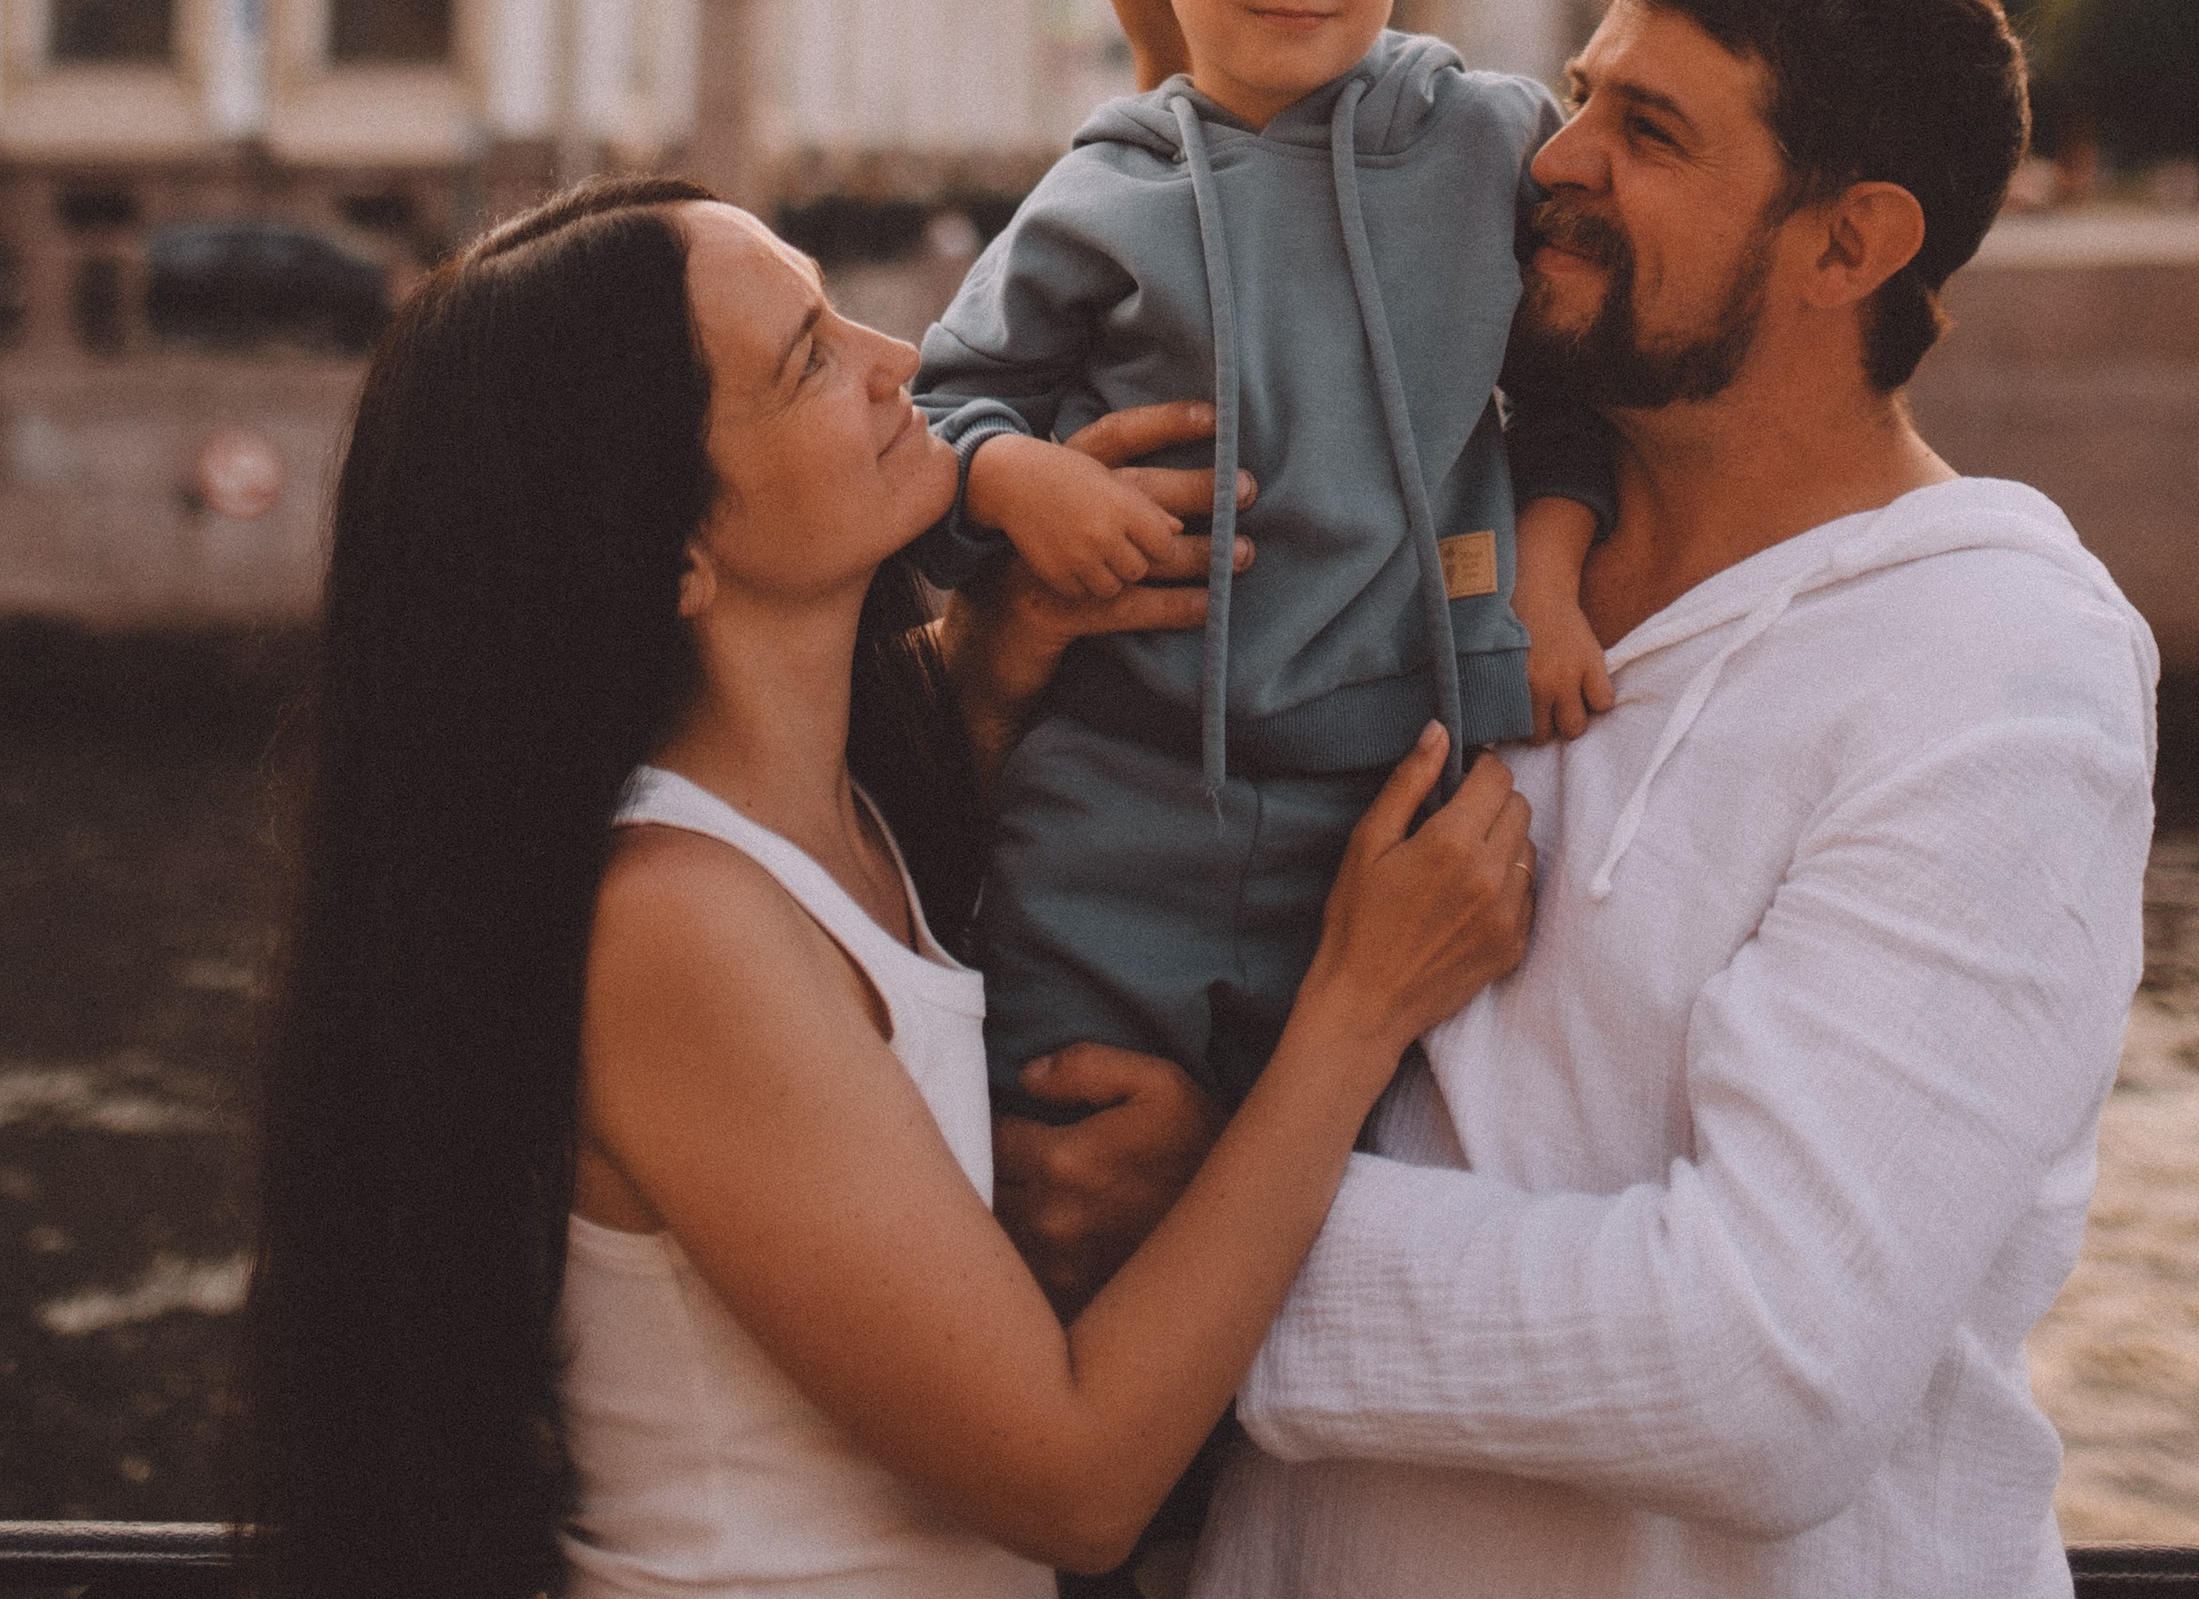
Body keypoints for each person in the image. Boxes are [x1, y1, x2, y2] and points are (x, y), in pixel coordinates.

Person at [999, 0, 2159, 1599]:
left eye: (1651, 133)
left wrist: (1212, 1213)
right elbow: (1300, 256)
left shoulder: (1994, 668)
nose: (1555, 159)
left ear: (1852, 246)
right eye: (1583, 94)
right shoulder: (1442, 523)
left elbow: (1764, 1371)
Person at [239, 175, 1534, 1599]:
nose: (896, 360)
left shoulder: (841, 813)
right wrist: (1356, 1010)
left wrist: (993, 677)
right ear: (667, 545)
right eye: (810, 360)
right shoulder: (678, 923)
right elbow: (1076, 1476)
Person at [911, 0, 1615, 1108]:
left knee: (1362, 1177)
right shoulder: (1099, 194)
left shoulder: (1490, 145)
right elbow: (938, 416)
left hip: (1398, 797)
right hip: (1118, 799)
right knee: (1062, 1141)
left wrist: (1545, 576)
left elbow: (1578, 396)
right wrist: (1016, 480)